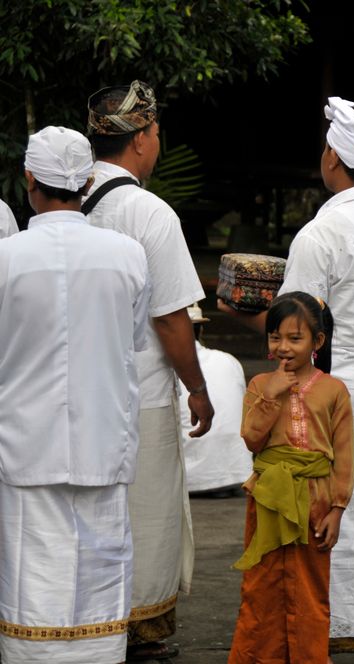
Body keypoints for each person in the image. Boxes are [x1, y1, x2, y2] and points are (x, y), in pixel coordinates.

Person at [220, 97, 354, 664]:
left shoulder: (323, 232)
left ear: (333, 157)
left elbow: (296, 331)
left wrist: (237, 312)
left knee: (319, 508)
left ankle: (320, 631)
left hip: (333, 386)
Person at [0, 126, 149, 663]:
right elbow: (132, 341)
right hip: (102, 439)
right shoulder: (127, 255)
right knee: (99, 570)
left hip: (25, 443)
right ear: (87, 182)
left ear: (30, 180)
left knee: (29, 573)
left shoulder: (7, 258)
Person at [84, 79, 215, 661]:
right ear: (140, 140)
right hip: (142, 391)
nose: (158, 145)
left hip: (77, 388)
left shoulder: (63, 197)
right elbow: (171, 318)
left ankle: (86, 621)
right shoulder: (148, 211)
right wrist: (198, 387)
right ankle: (139, 628)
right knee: (148, 508)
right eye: (157, 133)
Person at [228, 292, 354, 663]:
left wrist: (338, 508)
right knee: (261, 586)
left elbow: (343, 455)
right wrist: (271, 396)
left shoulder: (334, 391)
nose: (283, 347)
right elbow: (252, 439)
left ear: (318, 342)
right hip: (268, 500)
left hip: (315, 501)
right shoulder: (259, 385)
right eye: (275, 337)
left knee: (310, 589)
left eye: (295, 338)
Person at [178, 302, 253, 496]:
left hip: (190, 481)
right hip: (238, 474)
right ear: (200, 329)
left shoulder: (168, 369)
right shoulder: (229, 360)